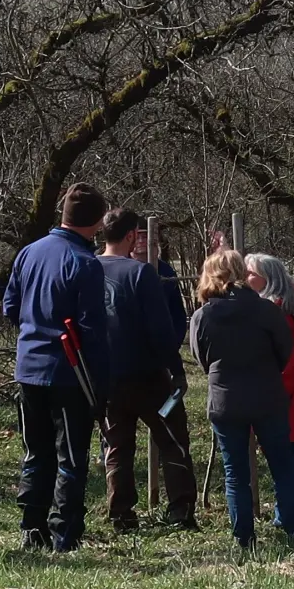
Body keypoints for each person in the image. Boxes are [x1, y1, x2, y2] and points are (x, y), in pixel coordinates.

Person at [3, 183, 110, 552]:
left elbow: (10, 307)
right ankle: (65, 532)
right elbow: (92, 328)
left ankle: (31, 527)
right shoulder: (85, 264)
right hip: (69, 372)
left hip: (28, 367)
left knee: (36, 451)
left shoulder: (29, 253)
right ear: (95, 223)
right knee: (70, 455)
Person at [189, 249, 294, 548]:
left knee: (236, 472)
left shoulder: (203, 315)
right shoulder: (267, 310)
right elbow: (283, 351)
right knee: (282, 465)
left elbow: (201, 358)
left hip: (226, 400)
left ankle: (244, 538)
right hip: (267, 397)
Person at [96, 208, 198, 533]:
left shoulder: (86, 269)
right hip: (149, 376)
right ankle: (180, 510)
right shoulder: (140, 274)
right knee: (173, 440)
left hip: (106, 377)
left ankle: (121, 515)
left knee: (117, 446)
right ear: (129, 237)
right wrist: (177, 371)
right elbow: (162, 331)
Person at [246, 252, 294, 538]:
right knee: (287, 455)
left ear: (267, 278)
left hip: (286, 390)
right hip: (291, 389)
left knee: (288, 456)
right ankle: (290, 511)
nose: (245, 278)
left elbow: (286, 361)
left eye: (250, 273)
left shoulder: (275, 309)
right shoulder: (288, 303)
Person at [129, 217, 198, 520]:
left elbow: (176, 319)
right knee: (118, 443)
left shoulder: (165, 272)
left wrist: (171, 356)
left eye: (152, 239)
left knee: (172, 438)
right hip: (122, 370)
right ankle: (121, 511)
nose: (146, 244)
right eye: (141, 238)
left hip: (159, 371)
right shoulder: (114, 269)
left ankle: (180, 508)